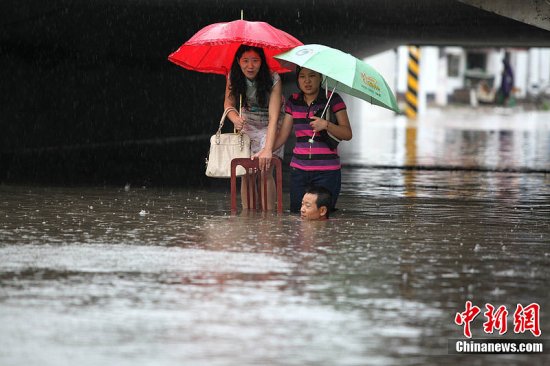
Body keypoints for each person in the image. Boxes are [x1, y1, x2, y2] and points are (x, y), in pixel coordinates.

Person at [272, 66, 352, 213]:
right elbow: (283, 135)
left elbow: (347, 133)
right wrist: (266, 151)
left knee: (322, 217)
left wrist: (326, 125)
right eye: (302, 76)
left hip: (327, 173)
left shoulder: (333, 99)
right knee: (298, 215)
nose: (307, 81)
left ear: (321, 78)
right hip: (299, 171)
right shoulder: (293, 101)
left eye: (312, 76)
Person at [224, 45, 284, 210]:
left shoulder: (274, 78)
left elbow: (273, 118)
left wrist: (267, 149)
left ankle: (269, 219)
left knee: (265, 171)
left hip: (269, 123)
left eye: (255, 61)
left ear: (262, 62)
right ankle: (248, 217)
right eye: (245, 61)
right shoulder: (233, 76)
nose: (250, 66)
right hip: (247, 121)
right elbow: (228, 103)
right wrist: (235, 118)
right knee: (246, 173)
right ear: (238, 61)